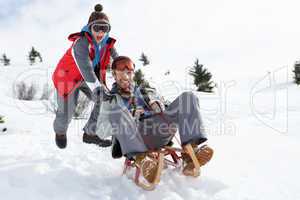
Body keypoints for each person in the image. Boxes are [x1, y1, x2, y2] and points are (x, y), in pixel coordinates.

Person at [96, 56, 214, 186]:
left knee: (188, 98)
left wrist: (158, 104)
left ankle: (191, 154)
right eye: (122, 73)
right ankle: (143, 161)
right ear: (114, 74)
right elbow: (101, 131)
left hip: (159, 129)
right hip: (134, 137)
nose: (126, 76)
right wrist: (129, 114)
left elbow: (166, 104)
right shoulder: (110, 100)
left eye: (129, 73)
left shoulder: (145, 90)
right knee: (116, 111)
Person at [52, 4, 118, 149]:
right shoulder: (80, 43)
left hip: (89, 79)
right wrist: (97, 87)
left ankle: (90, 133)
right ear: (89, 27)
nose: (100, 32)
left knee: (105, 100)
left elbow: (118, 61)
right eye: (97, 28)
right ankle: (60, 132)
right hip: (68, 79)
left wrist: (125, 71)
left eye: (105, 28)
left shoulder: (108, 44)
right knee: (66, 113)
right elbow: (86, 68)